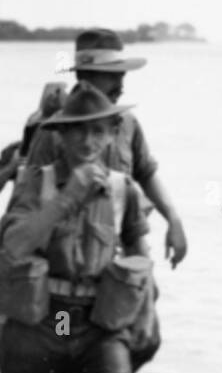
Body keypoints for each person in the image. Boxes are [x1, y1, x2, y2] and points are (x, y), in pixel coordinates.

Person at [0, 83, 159, 373]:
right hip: (53, 318)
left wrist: (146, 310)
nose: (88, 140)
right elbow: (13, 245)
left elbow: (138, 250)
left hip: (97, 322)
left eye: (98, 130)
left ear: (113, 134)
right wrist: (67, 198)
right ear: (61, 135)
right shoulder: (38, 182)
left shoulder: (122, 189)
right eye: (79, 130)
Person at [27, 28, 189, 268]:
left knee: (142, 297)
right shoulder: (53, 131)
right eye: (112, 76)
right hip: (62, 269)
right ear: (86, 77)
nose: (120, 85)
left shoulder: (127, 124)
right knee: (63, 307)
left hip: (118, 264)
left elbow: (146, 173)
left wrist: (174, 220)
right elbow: (28, 205)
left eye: (122, 77)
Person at [0, 82, 67, 201]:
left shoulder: (70, 155)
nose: (46, 135)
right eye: (40, 128)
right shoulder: (18, 151)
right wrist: (12, 167)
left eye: (53, 129)